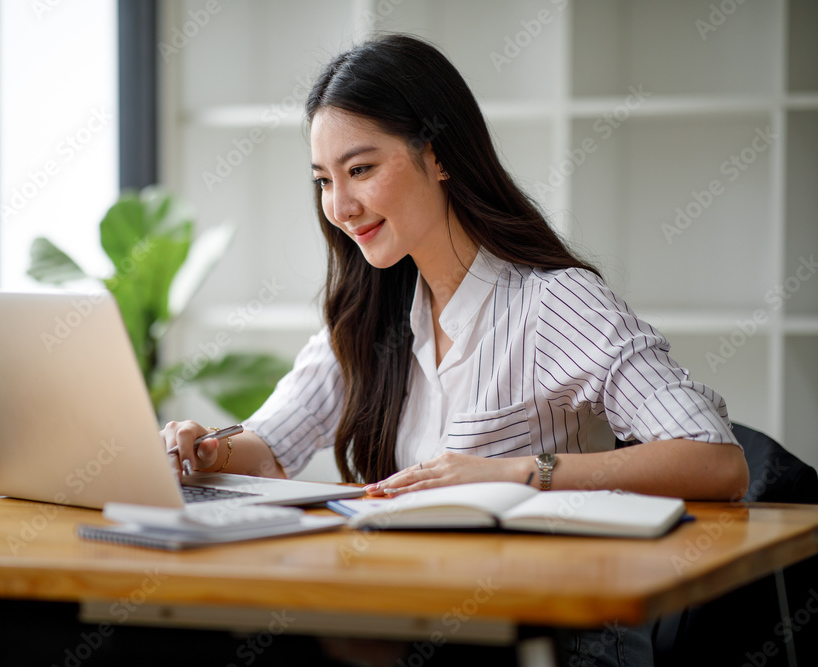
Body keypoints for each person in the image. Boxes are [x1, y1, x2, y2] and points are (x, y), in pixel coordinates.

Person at [162, 33, 749, 666]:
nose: (339, 206)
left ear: (437, 155)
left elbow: (715, 460)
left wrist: (524, 472)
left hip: (549, 639)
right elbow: (270, 448)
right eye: (324, 180)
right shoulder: (372, 312)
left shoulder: (552, 305)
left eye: (361, 170)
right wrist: (209, 451)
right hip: (416, 621)